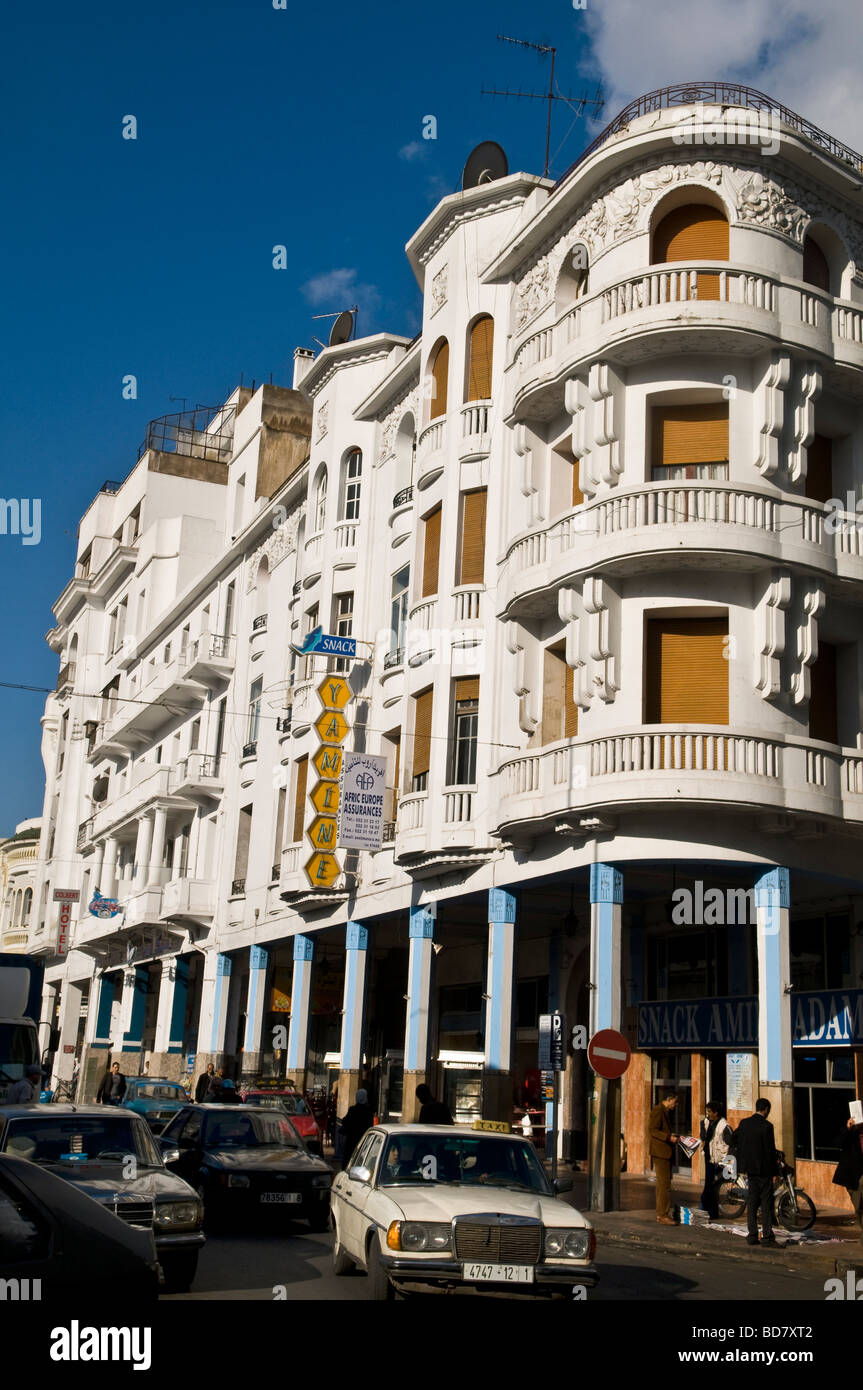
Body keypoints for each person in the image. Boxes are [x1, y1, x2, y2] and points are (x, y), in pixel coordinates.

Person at [730, 1098, 777, 1246]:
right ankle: (767, 1237)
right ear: (766, 1110)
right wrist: (774, 1172)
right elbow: (770, 1151)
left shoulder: (745, 1123)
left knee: (752, 1202)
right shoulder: (767, 1126)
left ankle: (752, 1235)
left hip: (749, 1169)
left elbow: (732, 1139)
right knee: (766, 1202)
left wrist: (744, 1151)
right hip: (764, 1170)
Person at [699, 1101, 734, 1220]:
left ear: (716, 1112)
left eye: (709, 1112)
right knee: (709, 1185)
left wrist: (727, 1162)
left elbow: (731, 1143)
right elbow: (703, 1135)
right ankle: (707, 1209)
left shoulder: (724, 1126)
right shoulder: (706, 1122)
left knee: (713, 1186)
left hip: (720, 1160)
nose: (707, 1114)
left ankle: (709, 1210)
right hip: (709, 1158)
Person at [648, 1090, 679, 1224]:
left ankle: (662, 1214)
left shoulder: (664, 1111)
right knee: (664, 1184)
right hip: (660, 1152)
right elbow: (652, 1130)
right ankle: (663, 1215)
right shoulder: (658, 1111)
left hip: (665, 1152)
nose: (676, 1105)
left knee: (664, 1184)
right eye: (675, 1102)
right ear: (669, 1099)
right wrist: (668, 1137)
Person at [831, 1115, 863, 1241]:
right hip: (851, 1175)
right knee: (858, 1206)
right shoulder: (851, 1132)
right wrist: (847, 1128)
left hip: (861, 1176)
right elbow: (836, 1143)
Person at [339, 1088, 375, 1168]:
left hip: (351, 1141)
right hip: (363, 1141)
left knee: (348, 1162)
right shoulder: (368, 1111)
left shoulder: (353, 1110)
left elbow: (346, 1122)